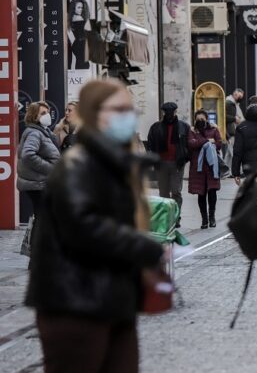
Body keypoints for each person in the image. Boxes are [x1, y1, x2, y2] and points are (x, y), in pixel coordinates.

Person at [26, 79, 164, 373]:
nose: (126, 116)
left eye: (128, 109)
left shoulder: (110, 162)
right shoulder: (77, 164)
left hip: (112, 300)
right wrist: (143, 246)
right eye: (117, 109)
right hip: (74, 303)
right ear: (93, 114)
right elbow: (84, 226)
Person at [146, 103, 190, 227]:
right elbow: (150, 145)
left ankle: (176, 217)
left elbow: (188, 145)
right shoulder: (156, 127)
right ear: (163, 113)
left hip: (177, 164)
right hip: (161, 164)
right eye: (167, 112)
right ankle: (166, 218)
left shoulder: (183, 126)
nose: (170, 115)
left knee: (176, 192)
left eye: (172, 112)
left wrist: (184, 158)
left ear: (176, 112)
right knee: (163, 193)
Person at [17, 102, 61, 223]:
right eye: (43, 113)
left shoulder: (44, 132)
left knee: (43, 218)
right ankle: (38, 241)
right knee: (43, 219)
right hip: (37, 184)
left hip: (41, 183)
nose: (47, 116)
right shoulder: (34, 133)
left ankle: (39, 241)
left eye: (47, 112)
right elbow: (28, 155)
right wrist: (50, 168)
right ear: (34, 116)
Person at [188, 110, 222, 229]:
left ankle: (212, 217)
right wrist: (207, 141)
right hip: (198, 167)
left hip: (212, 166)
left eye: (202, 119)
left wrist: (206, 141)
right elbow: (191, 144)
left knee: (212, 191)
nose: (200, 121)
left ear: (207, 119)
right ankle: (204, 219)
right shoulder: (192, 131)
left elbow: (219, 143)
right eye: (198, 119)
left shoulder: (213, 129)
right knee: (201, 193)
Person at [223, 88, 245, 175]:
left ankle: (224, 170)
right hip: (230, 132)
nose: (239, 98)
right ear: (234, 94)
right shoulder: (229, 103)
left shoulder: (232, 104)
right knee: (235, 152)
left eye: (240, 96)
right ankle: (238, 171)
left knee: (229, 154)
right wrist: (234, 118)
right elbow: (223, 116)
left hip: (231, 132)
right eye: (238, 96)